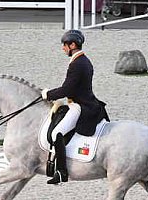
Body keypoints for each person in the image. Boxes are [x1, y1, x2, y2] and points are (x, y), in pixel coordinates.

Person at [41, 29, 108, 185]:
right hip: (83, 101)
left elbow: (67, 90)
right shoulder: (84, 60)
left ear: (72, 45)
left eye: (65, 45)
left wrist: (47, 94)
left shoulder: (77, 64)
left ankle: (61, 172)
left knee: (57, 133)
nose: (63, 48)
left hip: (80, 106)